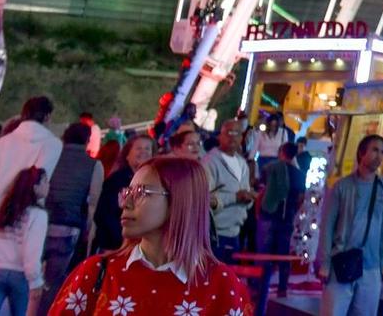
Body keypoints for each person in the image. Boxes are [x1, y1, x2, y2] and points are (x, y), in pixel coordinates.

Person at [47, 156, 251, 316]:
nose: (126, 204)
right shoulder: (96, 272)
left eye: (141, 192)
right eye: (127, 193)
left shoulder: (222, 285)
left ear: (180, 201)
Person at [0, 98, 61, 312]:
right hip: (27, 223)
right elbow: (38, 182)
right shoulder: (53, 144)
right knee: (18, 294)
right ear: (48, 117)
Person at [317, 134, 383, 316]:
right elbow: (327, 225)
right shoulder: (342, 186)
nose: (379, 156)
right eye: (375, 150)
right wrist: (324, 263)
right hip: (341, 261)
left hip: (371, 266)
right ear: (361, 152)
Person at [38, 123, 100, 313]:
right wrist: (87, 232)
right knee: (54, 281)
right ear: (87, 140)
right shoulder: (93, 165)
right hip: (68, 229)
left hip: (40, 224)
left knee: (30, 277)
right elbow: (92, 204)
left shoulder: (51, 157)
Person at [0, 166, 46, 316]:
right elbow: (32, 251)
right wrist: (35, 280)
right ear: (35, 187)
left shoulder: (6, 211)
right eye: (44, 182)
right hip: (20, 274)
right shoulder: (38, 215)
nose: (47, 186)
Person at [202, 121, 254, 262]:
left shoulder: (242, 163)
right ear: (220, 136)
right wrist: (235, 197)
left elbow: (245, 193)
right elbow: (204, 199)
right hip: (214, 236)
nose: (232, 137)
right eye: (228, 133)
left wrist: (248, 199)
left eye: (237, 133)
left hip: (235, 234)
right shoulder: (209, 162)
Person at [92, 137, 152, 256]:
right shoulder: (117, 181)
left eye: (147, 148)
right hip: (115, 245)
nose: (143, 152)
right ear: (127, 155)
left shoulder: (155, 182)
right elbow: (104, 214)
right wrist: (121, 240)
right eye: (138, 148)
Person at [254, 143, 298, 287]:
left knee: (264, 252)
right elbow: (301, 198)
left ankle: (259, 284)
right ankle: (282, 286)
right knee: (283, 254)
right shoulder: (299, 174)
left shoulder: (269, 168)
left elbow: (260, 190)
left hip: (268, 215)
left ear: (281, 152)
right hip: (287, 218)